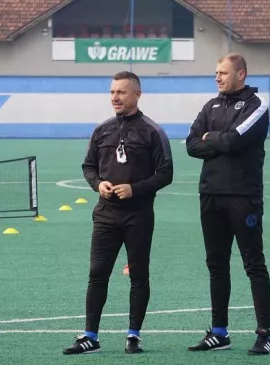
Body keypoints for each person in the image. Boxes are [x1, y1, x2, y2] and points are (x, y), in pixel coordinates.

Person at [63, 71, 174, 355]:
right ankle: (90, 336)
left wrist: (134, 189)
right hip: (105, 215)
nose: (115, 97)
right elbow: (88, 167)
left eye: (122, 92)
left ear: (137, 94)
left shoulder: (153, 131)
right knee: (97, 274)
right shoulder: (102, 130)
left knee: (138, 275)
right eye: (112, 91)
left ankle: (134, 335)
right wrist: (98, 184)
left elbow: (166, 173)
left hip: (138, 216)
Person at [185, 53, 270, 355]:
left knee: (253, 264)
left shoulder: (256, 106)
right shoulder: (210, 106)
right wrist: (216, 139)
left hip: (242, 197)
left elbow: (235, 140)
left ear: (241, 75)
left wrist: (212, 138)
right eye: (216, 73)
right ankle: (219, 332)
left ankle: (264, 334)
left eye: (223, 72)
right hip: (210, 195)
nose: (217, 77)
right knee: (216, 265)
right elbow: (191, 144)